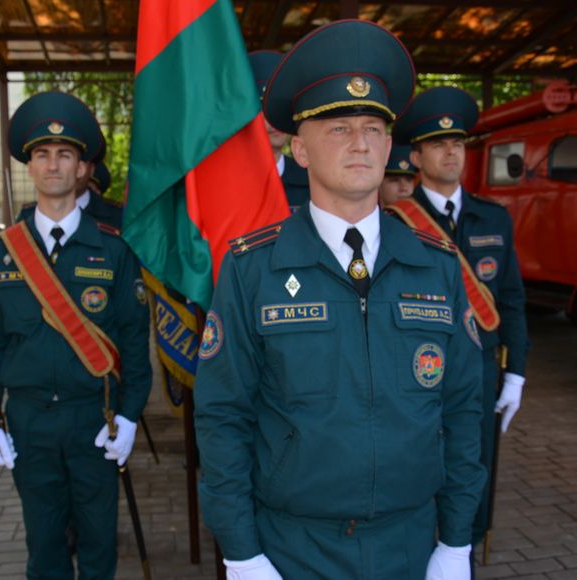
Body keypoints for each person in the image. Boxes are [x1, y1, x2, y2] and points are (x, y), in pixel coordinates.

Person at [194, 21, 486, 580]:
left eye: (374, 127)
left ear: (390, 145)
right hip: (291, 548)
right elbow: (222, 416)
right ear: (300, 149)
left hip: (409, 545)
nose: (361, 142)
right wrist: (241, 553)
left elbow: (462, 412)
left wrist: (455, 542)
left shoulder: (437, 266)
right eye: (339, 127)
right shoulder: (252, 268)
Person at [0, 91, 151, 579]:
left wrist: (130, 415)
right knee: (44, 543)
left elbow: (135, 342)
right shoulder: (3, 253)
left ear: (83, 168)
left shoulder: (114, 251)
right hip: (29, 422)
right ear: (30, 166)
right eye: (43, 154)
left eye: (65, 154)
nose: (53, 165)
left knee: (98, 542)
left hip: (94, 418)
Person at [391, 86, 529, 557]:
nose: (451, 152)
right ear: (416, 157)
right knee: (418, 461)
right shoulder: (395, 222)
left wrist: (516, 373)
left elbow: (511, 299)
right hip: (419, 367)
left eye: (457, 143)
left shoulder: (493, 218)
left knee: (475, 462)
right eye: (438, 144)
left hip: (482, 367)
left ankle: (462, 552)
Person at [249, 50, 310, 212]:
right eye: (265, 109)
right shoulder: (225, 181)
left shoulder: (311, 180)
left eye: (282, 107)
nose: (275, 118)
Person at [18, 161, 123, 232]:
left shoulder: (118, 215)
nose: (73, 169)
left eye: (79, 162)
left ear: (89, 169)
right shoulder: (28, 215)